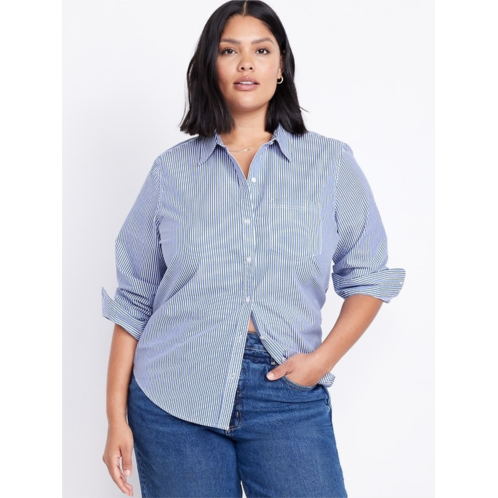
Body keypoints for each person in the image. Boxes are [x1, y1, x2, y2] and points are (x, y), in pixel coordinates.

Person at [101, 1, 405, 496]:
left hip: (286, 390)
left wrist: (321, 361)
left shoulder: (329, 164)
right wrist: (116, 417)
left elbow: (368, 275)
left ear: (280, 65)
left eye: (261, 51)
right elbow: (135, 298)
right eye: (229, 51)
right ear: (211, 66)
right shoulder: (171, 172)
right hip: (174, 396)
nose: (246, 64)